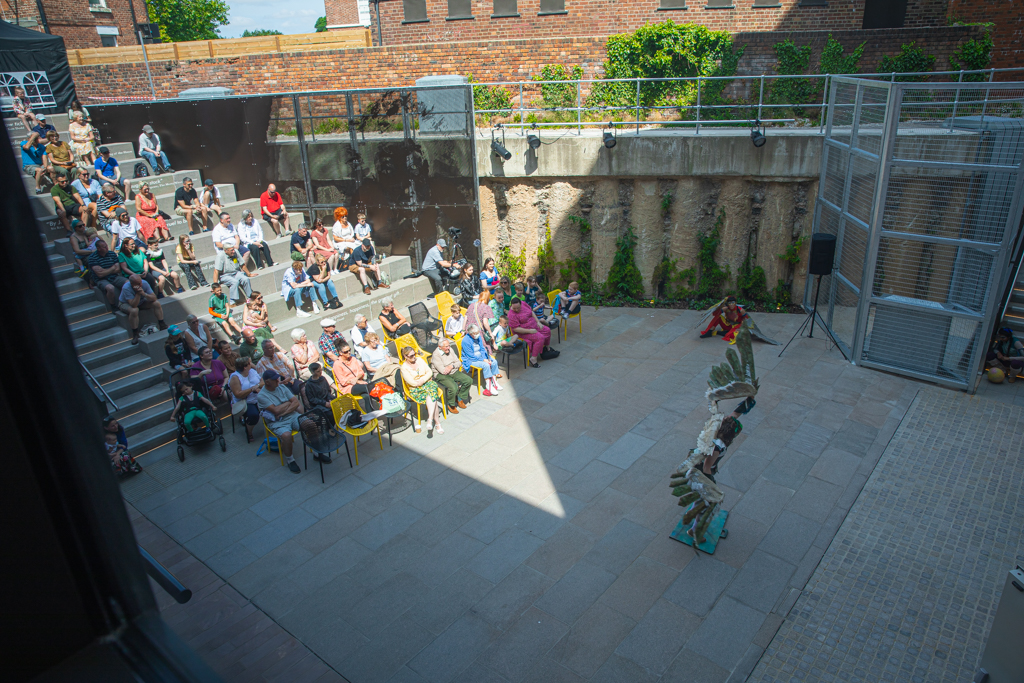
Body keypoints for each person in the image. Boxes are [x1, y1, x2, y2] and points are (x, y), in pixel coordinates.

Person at [256, 370, 306, 472]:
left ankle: (316, 452)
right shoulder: (262, 396)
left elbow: (296, 402)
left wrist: (283, 412)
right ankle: (290, 460)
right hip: (276, 422)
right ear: (267, 382)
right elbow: (275, 410)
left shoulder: (281, 387)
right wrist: (288, 403)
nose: (278, 380)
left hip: (290, 415)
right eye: (275, 379)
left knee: (309, 424)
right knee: (286, 436)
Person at [400, 346, 443, 435]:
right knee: (433, 395)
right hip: (416, 389)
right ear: (405, 356)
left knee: (431, 391)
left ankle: (430, 419)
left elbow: (429, 372)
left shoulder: (419, 360)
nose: (414, 357)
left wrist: (422, 380)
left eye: (414, 354)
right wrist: (421, 381)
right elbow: (411, 382)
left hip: (426, 383)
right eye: (411, 356)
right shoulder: (404, 367)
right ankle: (437, 423)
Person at [508, 296, 557, 367]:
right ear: (511, 306)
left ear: (521, 304)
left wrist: (538, 322)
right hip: (522, 332)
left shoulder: (523, 303)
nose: (516, 309)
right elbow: (515, 329)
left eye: (518, 308)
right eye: (514, 308)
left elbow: (531, 312)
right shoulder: (511, 314)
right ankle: (533, 358)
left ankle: (546, 349)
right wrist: (530, 331)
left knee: (547, 330)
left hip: (533, 325)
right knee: (540, 338)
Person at [119, 274, 167, 344]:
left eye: (140, 282)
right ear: (132, 283)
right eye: (138, 283)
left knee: (156, 303)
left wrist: (144, 294)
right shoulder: (126, 287)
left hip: (141, 301)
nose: (140, 284)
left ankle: (162, 324)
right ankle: (135, 334)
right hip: (126, 303)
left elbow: (154, 298)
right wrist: (138, 294)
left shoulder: (144, 283)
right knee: (134, 310)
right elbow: (133, 305)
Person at [431, 337, 472, 413]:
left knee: (468, 380)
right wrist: (453, 366)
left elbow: (459, 363)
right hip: (441, 375)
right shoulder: (436, 354)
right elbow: (443, 371)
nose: (448, 348)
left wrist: (451, 366)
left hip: (452, 370)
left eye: (449, 345)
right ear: (440, 347)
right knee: (453, 387)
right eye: (446, 346)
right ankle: (451, 404)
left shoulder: (450, 350)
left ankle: (459, 397)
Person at [229, 356, 263, 443]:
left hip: (257, 396)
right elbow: (238, 394)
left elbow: (262, 380)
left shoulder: (251, 371)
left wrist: (258, 386)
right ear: (245, 367)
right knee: (253, 415)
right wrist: (252, 389)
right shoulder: (235, 377)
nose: (251, 364)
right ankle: (249, 432)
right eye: (250, 363)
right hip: (245, 401)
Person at [332, 341, 377, 406]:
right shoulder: (337, 364)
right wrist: (357, 381)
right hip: (348, 387)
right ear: (340, 353)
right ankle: (385, 404)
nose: (349, 352)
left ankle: (372, 413)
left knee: (367, 395)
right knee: (369, 387)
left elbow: (361, 372)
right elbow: (343, 382)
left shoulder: (353, 359)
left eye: (349, 350)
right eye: (346, 352)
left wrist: (356, 379)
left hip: (358, 383)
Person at [461, 325, 501, 395]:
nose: (477, 335)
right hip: (471, 359)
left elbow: (482, 349)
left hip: (480, 355)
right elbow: (470, 356)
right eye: (475, 333)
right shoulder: (465, 341)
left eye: (477, 333)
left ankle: (494, 382)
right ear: (470, 334)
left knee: (494, 362)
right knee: (486, 365)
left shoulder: (478, 337)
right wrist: (483, 360)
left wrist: (486, 358)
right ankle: (488, 385)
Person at [89, 240, 128, 310]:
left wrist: (105, 271)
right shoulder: (92, 258)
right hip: (101, 280)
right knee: (110, 288)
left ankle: (129, 300)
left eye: (107, 246)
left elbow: (118, 269)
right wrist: (112, 268)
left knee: (128, 282)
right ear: (98, 248)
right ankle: (113, 306)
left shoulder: (112, 254)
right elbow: (100, 274)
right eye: (104, 247)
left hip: (114, 277)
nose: (107, 248)